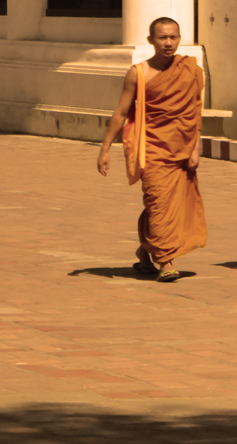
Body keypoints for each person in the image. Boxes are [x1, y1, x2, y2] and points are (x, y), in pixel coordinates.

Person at [96, 17, 208, 283]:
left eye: (173, 37)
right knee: (158, 203)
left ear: (180, 39)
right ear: (151, 41)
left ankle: (144, 250)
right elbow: (121, 112)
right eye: (162, 38)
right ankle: (166, 261)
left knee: (169, 206)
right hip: (150, 149)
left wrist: (195, 147)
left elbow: (194, 111)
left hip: (181, 148)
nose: (168, 43)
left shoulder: (190, 69)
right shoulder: (139, 73)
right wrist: (105, 148)